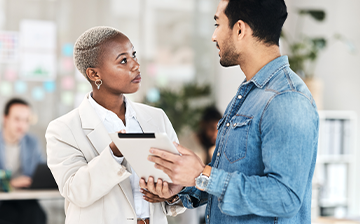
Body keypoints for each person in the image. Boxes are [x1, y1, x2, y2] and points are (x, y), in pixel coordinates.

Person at [140, 0, 319, 223]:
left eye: (217, 24)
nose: (214, 36)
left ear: (240, 29)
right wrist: (185, 186)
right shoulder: (249, 94)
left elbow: (285, 197)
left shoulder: (286, 99)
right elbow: (230, 180)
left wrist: (201, 175)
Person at [45, 26, 185, 224]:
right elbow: (75, 191)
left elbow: (178, 182)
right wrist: (114, 153)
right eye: (123, 60)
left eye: (134, 55)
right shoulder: (63, 129)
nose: (136, 65)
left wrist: (171, 195)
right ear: (94, 74)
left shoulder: (156, 117)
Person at [174, 106, 222, 224]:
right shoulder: (186, 143)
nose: (215, 134)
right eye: (211, 128)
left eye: (218, 129)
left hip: (209, 195)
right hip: (188, 193)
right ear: (202, 124)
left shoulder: (218, 147)